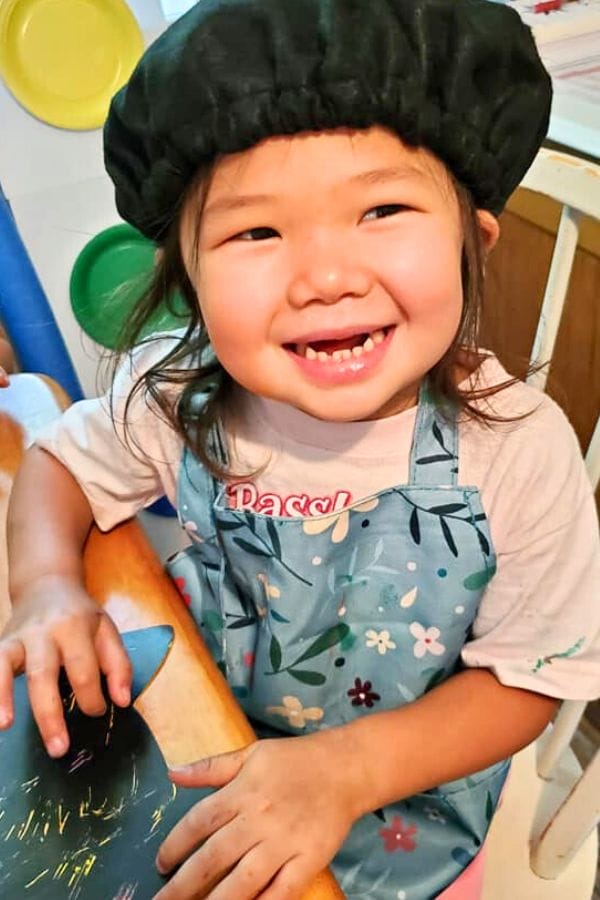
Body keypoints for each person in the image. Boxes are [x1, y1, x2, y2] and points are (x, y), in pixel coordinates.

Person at [2, 0, 599, 897]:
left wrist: (345, 772)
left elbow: (528, 679)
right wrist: (45, 586)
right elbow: (57, 462)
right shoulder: (183, 392)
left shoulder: (517, 453)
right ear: (188, 278)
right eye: (257, 231)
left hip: (407, 814)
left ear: (472, 243)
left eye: (383, 208)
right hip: (210, 749)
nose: (325, 277)